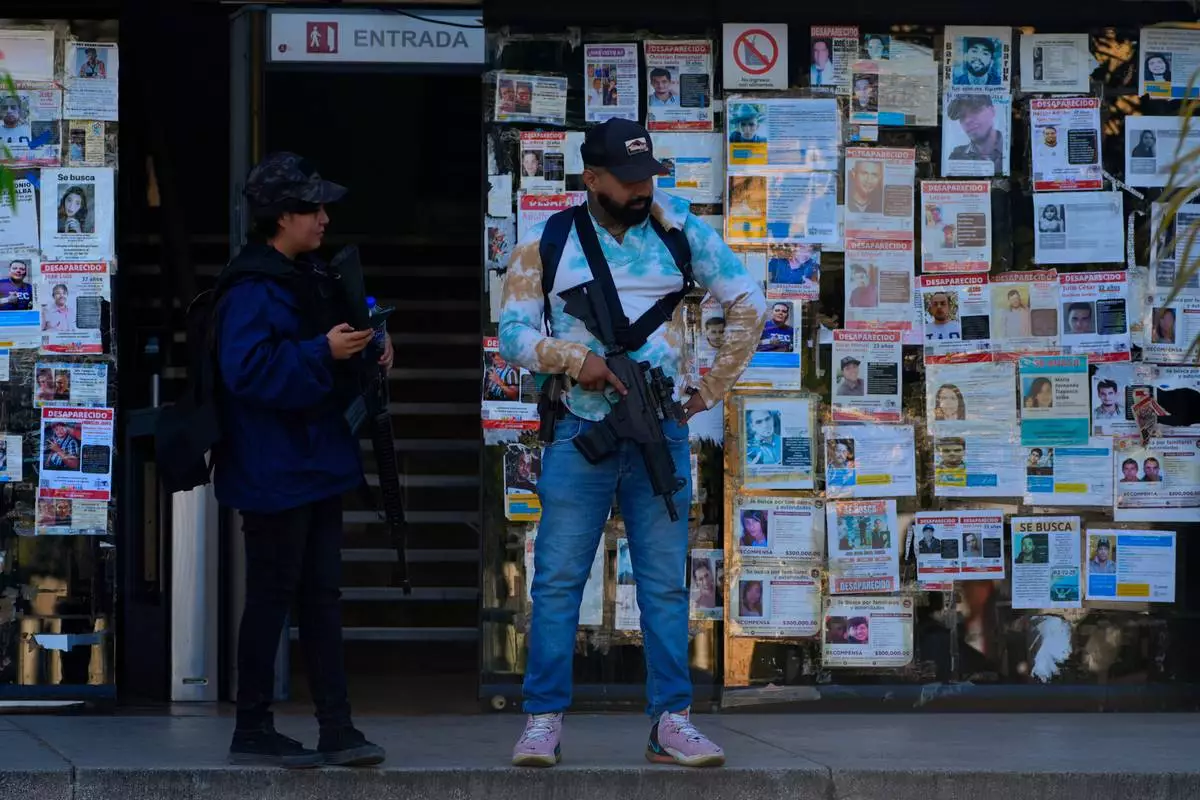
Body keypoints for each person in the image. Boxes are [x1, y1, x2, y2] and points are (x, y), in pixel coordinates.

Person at [499, 118, 766, 769]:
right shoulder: (547, 241)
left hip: (659, 430)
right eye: (628, 180)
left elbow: (750, 303)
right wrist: (575, 359)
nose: (643, 189)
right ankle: (542, 720)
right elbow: (511, 334)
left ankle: (671, 722)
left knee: (665, 587)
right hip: (580, 429)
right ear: (592, 178)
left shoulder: (679, 232)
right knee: (558, 583)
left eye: (649, 177)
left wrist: (709, 389)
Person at [214, 152, 391, 769]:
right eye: (312, 209)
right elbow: (247, 372)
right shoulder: (250, 287)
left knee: (321, 597)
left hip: (314, 460)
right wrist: (323, 352)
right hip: (273, 467)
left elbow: (345, 319)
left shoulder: (307, 273)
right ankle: (252, 726)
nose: (323, 218)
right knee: (272, 596)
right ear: (282, 216)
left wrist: (374, 340)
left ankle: (337, 728)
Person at [947, 94, 1004, 175]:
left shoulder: (1011, 150)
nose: (967, 121)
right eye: (962, 116)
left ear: (992, 111)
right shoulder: (956, 156)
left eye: (975, 110)